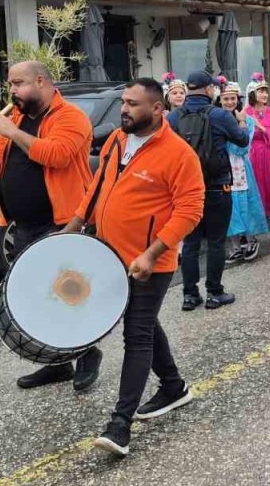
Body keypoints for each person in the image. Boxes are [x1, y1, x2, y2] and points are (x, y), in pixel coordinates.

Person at [53, 79, 204, 457]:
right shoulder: (117, 141)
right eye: (123, 102)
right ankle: (173, 385)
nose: (124, 109)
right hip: (108, 255)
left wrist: (152, 253)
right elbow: (97, 187)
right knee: (144, 322)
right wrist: (74, 225)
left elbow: (190, 211)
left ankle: (120, 424)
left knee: (136, 334)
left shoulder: (179, 154)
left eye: (133, 104)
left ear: (157, 109)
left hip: (150, 262)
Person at [0, 60, 100, 391]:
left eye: (19, 83)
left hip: (62, 223)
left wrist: (13, 131)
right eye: (10, 84)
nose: (12, 90)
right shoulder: (17, 117)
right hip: (23, 225)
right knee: (43, 297)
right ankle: (56, 363)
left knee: (71, 294)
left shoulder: (70, 117)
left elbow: (57, 155)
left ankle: (87, 354)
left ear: (41, 81)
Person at [168, 70, 248, 311]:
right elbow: (242, 140)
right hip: (216, 185)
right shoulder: (220, 115)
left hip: (186, 189)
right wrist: (241, 121)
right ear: (208, 89)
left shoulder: (173, 118)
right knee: (215, 241)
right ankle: (215, 293)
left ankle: (190, 295)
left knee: (191, 242)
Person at [217, 78, 269, 264]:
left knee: (246, 202)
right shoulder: (214, 119)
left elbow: (242, 147)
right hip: (223, 166)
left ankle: (251, 240)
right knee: (229, 205)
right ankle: (234, 245)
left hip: (241, 166)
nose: (230, 102)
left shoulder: (247, 120)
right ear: (219, 101)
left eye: (233, 98)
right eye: (226, 99)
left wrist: (241, 125)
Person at [244, 73, 270, 219]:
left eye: (266, 91)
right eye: (261, 91)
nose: (265, 94)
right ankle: (257, 216)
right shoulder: (246, 112)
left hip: (269, 153)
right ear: (253, 93)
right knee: (255, 185)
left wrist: (262, 127)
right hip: (252, 153)